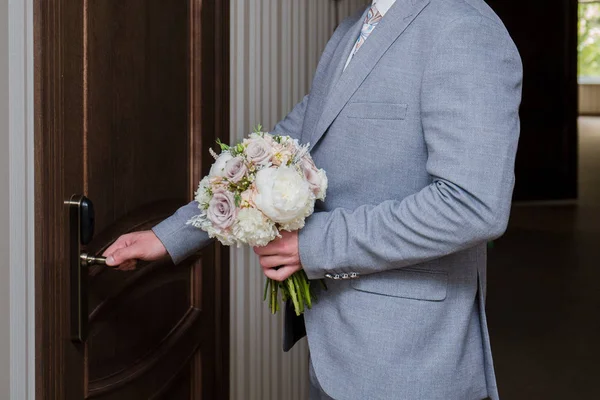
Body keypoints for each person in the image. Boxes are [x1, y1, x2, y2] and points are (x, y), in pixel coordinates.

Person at [103, 0, 522, 398]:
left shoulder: (465, 29)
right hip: (333, 345)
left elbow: (471, 205)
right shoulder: (351, 30)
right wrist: (171, 234)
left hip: (406, 360)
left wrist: (313, 244)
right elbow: (278, 146)